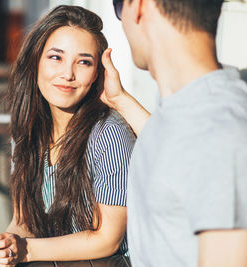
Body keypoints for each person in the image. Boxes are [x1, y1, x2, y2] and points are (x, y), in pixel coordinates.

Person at [0, 5, 136, 266]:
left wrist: (25, 250)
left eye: (84, 62)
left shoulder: (109, 135)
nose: (67, 74)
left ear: (97, 74)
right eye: (56, 57)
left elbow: (108, 239)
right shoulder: (27, 126)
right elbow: (24, 223)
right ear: (35, 61)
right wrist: (1, 244)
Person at [100, 0, 247, 266]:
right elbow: (177, 156)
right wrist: (118, 99)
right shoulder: (190, 112)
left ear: (140, 6)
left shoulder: (217, 131)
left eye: (119, 5)